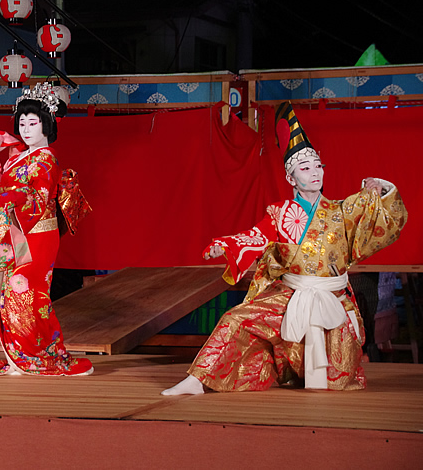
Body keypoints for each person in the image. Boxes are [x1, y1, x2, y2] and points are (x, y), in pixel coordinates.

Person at [162, 102, 407, 394]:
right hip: (291, 297)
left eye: (318, 166)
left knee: (338, 383)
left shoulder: (342, 210)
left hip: (334, 301)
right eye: (305, 168)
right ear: (291, 178)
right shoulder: (279, 213)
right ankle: (198, 380)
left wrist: (381, 188)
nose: (315, 172)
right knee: (235, 318)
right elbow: (254, 237)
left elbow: (389, 222)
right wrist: (225, 245)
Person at [0, 83, 93, 376]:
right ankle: (20, 358)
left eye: (32, 123)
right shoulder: (21, 155)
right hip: (17, 233)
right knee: (13, 293)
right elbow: (0, 185)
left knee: (26, 291)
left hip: (36, 233)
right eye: (22, 123)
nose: (25, 129)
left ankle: (35, 356)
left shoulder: (46, 159)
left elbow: (37, 199)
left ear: (46, 124)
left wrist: (12, 197)